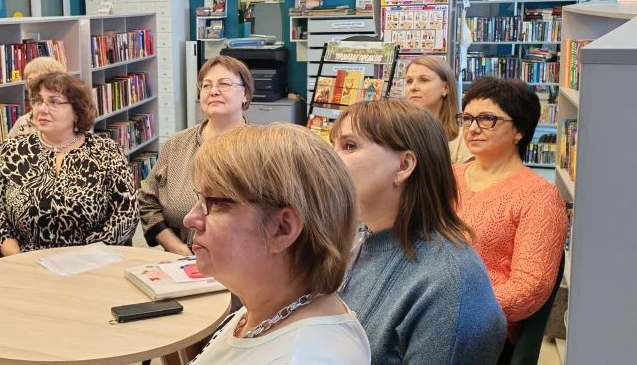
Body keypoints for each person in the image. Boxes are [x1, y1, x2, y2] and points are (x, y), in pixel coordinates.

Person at [331, 99, 506, 364]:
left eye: (349, 146)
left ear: (403, 166)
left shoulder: (448, 285)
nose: (330, 159)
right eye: (334, 145)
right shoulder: (362, 238)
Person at [186, 124, 370, 364]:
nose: (190, 219)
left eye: (216, 203)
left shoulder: (308, 357)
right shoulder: (270, 308)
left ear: (283, 229)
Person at [454, 76, 567, 356]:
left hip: (484, 327)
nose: (473, 128)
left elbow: (528, 290)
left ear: (519, 131)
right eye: (467, 118)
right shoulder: (447, 177)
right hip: (427, 306)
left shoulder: (539, 197)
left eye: (487, 119)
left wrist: (451, 305)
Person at [0, 72, 138, 257]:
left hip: (90, 260)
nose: (42, 109)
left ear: (77, 112)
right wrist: (17, 258)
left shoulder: (106, 150)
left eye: (54, 102)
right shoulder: (13, 150)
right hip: (24, 260)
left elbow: (126, 214)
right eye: (38, 101)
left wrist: (84, 258)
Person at [138, 55, 252, 255]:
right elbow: (148, 201)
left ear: (245, 95)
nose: (213, 91)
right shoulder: (176, 145)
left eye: (224, 84)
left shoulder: (262, 150)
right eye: (206, 85)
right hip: (180, 261)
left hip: (243, 260)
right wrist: (176, 248)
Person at [404, 55, 472, 163]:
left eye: (424, 80)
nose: (413, 87)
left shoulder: (463, 139)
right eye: (409, 81)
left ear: (445, 88)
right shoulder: (397, 133)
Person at [7, 56, 68, 138]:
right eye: (30, 81)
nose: (34, 87)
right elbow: (8, 144)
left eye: (40, 82)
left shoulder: (68, 121)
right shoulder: (22, 122)